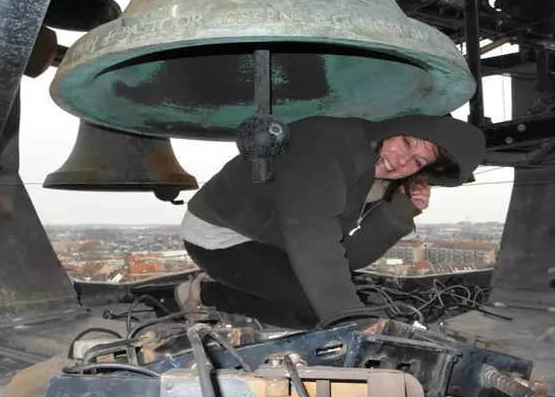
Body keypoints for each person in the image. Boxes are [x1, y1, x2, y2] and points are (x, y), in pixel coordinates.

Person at [175, 114, 486, 329]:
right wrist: (352, 320)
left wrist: (399, 211)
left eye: (417, 162)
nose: (403, 161)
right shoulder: (327, 145)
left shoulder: (366, 171)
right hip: (221, 234)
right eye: (406, 143)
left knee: (339, 297)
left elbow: (347, 256)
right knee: (316, 310)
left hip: (271, 236)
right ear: (393, 129)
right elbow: (313, 241)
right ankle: (204, 294)